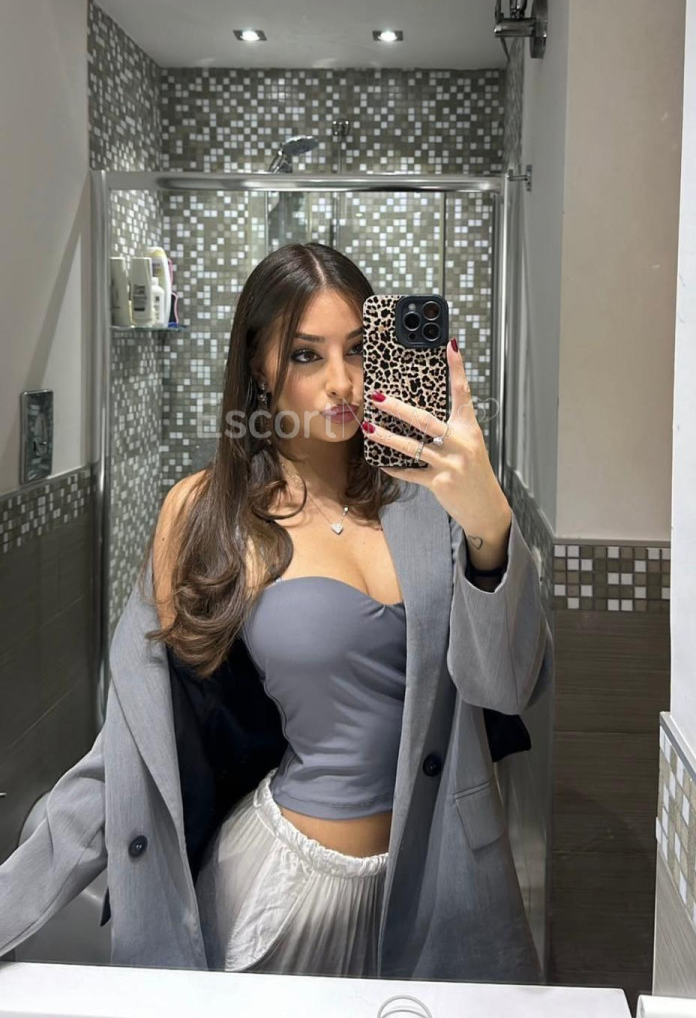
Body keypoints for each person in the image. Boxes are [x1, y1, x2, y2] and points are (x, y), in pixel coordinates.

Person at [0, 242, 552, 981]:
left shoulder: (435, 501)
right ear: (260, 365)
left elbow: (507, 687)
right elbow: (133, 752)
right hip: (283, 897)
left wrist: (489, 523)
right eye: (305, 355)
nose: (341, 381)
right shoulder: (208, 514)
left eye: (358, 350)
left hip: (439, 892)